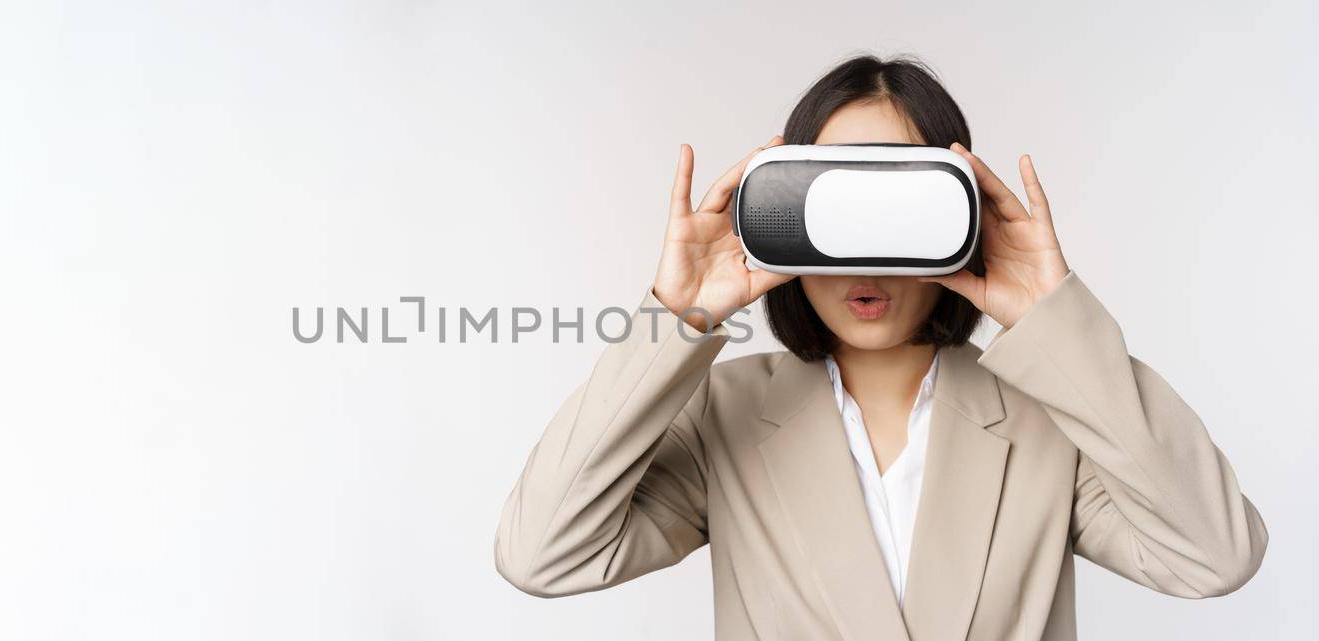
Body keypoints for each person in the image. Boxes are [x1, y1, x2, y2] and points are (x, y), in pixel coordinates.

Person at [492, 55, 1268, 641]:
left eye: (896, 212)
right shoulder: (725, 414)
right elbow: (541, 553)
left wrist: (1051, 318)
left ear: (957, 218)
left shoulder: (1047, 422)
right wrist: (678, 317)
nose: (864, 264)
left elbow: (1214, 554)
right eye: (836, 212)